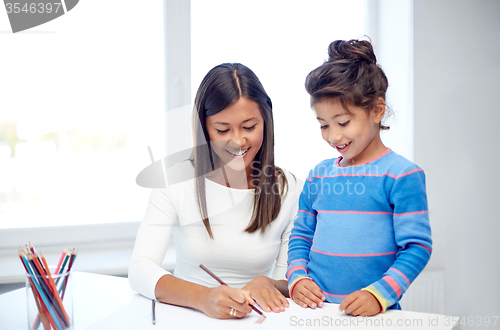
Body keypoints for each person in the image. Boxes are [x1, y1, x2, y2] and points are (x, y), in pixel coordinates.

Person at [129, 63, 302, 319]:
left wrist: (268, 285)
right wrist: (202, 297)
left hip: (258, 319)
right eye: (222, 130)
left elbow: (290, 280)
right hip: (187, 317)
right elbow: (140, 270)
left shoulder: (289, 188)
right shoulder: (175, 181)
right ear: (204, 128)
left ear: (266, 121)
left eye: (249, 127)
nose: (237, 141)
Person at [286, 39, 432, 316]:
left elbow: (417, 247)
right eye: (323, 125)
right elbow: (302, 235)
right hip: (314, 312)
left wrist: (379, 295)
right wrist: (297, 277)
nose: (333, 136)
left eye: (343, 123)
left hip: (375, 315)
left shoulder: (402, 175)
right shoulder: (318, 175)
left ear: (377, 110)